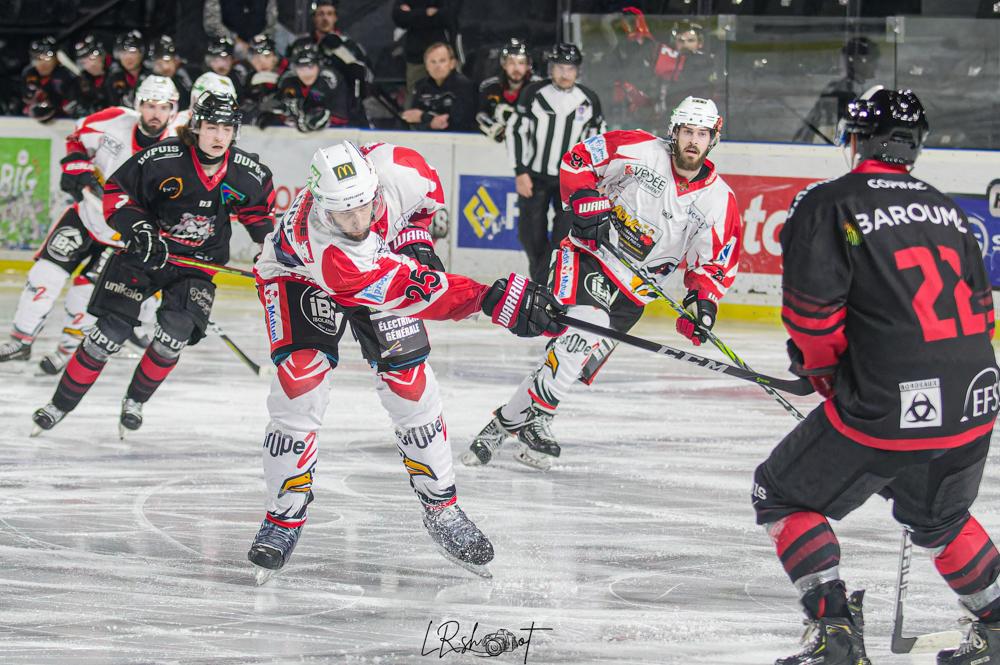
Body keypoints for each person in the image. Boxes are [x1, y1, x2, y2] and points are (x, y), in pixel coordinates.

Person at [754, 87, 1000, 665]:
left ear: (854, 138)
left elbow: (812, 317)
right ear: (915, 145)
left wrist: (822, 371)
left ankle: (833, 635)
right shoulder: (949, 209)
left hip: (889, 402)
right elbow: (984, 314)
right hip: (976, 397)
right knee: (940, 518)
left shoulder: (829, 202)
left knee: (782, 493)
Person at [248, 139, 565, 582]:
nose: (358, 222)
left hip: (377, 271)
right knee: (300, 381)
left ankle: (442, 508)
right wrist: (493, 300)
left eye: (365, 207)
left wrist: (414, 240)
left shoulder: (401, 168)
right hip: (299, 278)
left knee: (410, 384)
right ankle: (284, 516)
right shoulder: (332, 250)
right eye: (344, 215)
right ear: (323, 210)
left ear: (378, 186)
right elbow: (421, 294)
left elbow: (423, 206)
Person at [465, 96, 741, 471]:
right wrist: (583, 198)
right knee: (583, 331)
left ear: (714, 138)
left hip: (636, 292)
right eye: (687, 131)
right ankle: (540, 418)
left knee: (571, 359)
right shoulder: (638, 147)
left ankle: (502, 424)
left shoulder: (720, 202)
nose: (694, 140)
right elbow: (578, 159)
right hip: (590, 257)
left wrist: (702, 305)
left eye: (702, 133)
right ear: (673, 132)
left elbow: (711, 264)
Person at [31, 91, 276, 437]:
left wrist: (267, 249)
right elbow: (118, 194)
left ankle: (135, 402)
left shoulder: (248, 172)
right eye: (211, 127)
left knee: (173, 336)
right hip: (146, 253)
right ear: (196, 126)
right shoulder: (163, 158)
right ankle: (59, 405)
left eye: (226, 128)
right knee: (109, 333)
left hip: (197, 263)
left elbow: (257, 214)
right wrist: (141, 230)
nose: (219, 136)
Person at [0, 76, 178, 372]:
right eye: (149, 105)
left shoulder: (177, 149)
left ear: (173, 110)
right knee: (44, 275)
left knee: (84, 295)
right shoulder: (113, 120)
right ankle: (21, 339)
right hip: (85, 216)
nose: (155, 113)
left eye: (163, 107)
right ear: (138, 104)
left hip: (124, 237)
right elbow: (76, 138)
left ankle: (66, 351)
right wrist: (76, 166)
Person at [507, 42, 606, 284]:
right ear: (551, 68)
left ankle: (546, 287)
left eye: (570, 68)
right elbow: (516, 131)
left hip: (571, 181)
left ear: (577, 71)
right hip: (536, 176)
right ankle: (542, 281)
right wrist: (520, 172)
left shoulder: (589, 99)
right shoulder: (533, 92)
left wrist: (596, 178)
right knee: (530, 235)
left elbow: (598, 142)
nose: (564, 73)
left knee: (564, 238)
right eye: (560, 67)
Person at [289, 0, 373, 123]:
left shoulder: (349, 45)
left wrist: (339, 51)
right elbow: (288, 73)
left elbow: (365, 76)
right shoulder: (300, 44)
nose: (325, 18)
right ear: (314, 18)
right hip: (305, 103)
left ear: (335, 18)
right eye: (321, 14)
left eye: (329, 14)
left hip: (340, 107)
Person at [793, 36, 880, 145]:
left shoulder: (853, 88)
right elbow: (828, 128)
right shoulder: (842, 92)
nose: (876, 65)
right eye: (872, 60)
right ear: (856, 61)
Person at [392, 0, 461, 103]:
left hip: (443, 54)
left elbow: (448, 15)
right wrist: (425, 13)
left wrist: (414, 15)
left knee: (449, 95)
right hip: (416, 56)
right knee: (414, 97)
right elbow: (399, 16)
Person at [401, 42, 475, 132]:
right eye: (433, 62)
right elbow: (411, 117)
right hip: (425, 139)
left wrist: (424, 117)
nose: (437, 66)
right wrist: (430, 122)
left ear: (452, 63)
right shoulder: (421, 86)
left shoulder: (464, 85)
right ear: (426, 66)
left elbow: (460, 121)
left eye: (442, 61)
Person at [476, 37, 539, 143]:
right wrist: (494, 128)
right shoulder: (489, 87)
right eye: (511, 63)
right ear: (504, 64)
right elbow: (480, 114)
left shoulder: (538, 87)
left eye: (521, 63)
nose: (516, 68)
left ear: (528, 65)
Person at [276, 42, 349, 131]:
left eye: (310, 67)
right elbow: (280, 113)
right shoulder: (287, 81)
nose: (306, 73)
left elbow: (343, 117)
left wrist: (328, 118)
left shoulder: (331, 80)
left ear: (319, 65)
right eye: (301, 68)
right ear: (294, 68)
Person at [21, 36, 78, 122]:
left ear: (56, 58)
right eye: (37, 58)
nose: (42, 63)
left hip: (63, 120)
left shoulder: (65, 75)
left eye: (47, 58)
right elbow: (27, 97)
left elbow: (73, 105)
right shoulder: (30, 73)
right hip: (30, 120)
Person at [240, 34, 287, 128]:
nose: (262, 62)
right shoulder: (248, 78)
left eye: (267, 56)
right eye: (256, 57)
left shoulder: (288, 75)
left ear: (274, 57)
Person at [105, 30, 151, 108]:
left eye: (132, 52)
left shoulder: (152, 77)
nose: (128, 57)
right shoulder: (113, 79)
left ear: (141, 53)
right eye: (123, 52)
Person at [149, 36, 194, 108]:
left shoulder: (184, 79)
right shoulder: (147, 82)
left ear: (177, 61)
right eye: (159, 63)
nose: (165, 67)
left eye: (168, 61)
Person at [72, 34, 110, 117]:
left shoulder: (116, 74)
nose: (90, 65)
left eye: (93, 58)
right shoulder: (84, 79)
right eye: (83, 62)